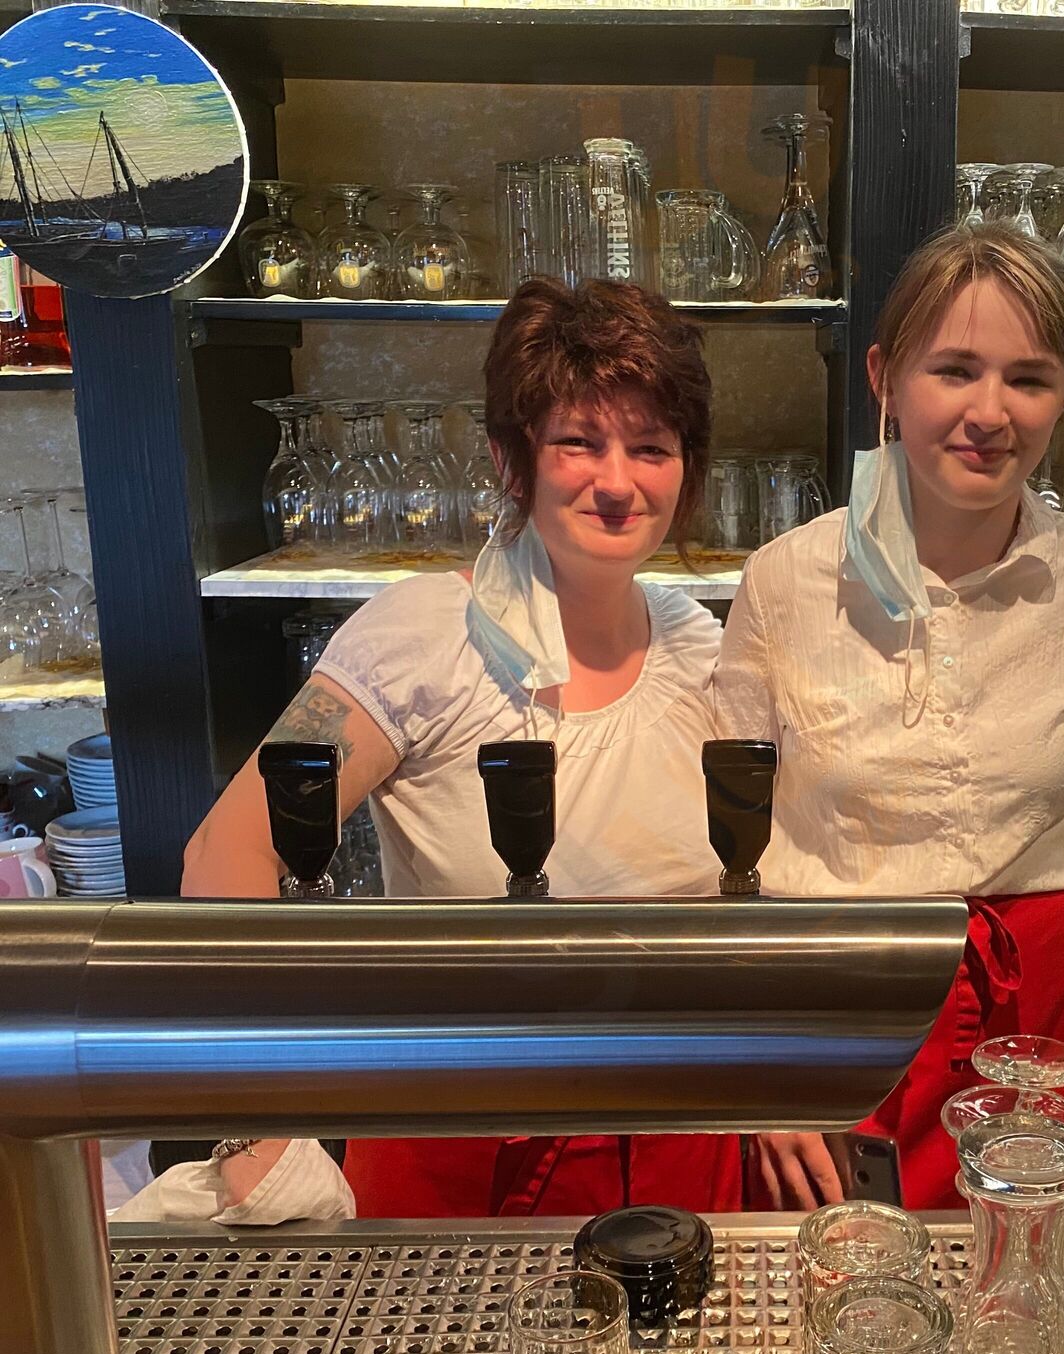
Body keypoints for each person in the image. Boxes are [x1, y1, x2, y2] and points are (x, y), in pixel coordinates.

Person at [182, 277, 741, 1219]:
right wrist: (253, 1133)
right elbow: (223, 854)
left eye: (651, 446)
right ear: (510, 459)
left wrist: (781, 1081)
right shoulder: (418, 635)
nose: (617, 481)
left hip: (681, 1125)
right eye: (577, 441)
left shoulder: (698, 643)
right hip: (464, 1128)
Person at [715, 223, 1064, 1211]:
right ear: (884, 376)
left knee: (1038, 1286)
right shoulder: (786, 579)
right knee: (847, 1287)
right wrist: (754, 1066)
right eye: (955, 369)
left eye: (1028, 378)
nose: (989, 412)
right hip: (839, 1024)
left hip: (1048, 1022)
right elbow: (727, 856)